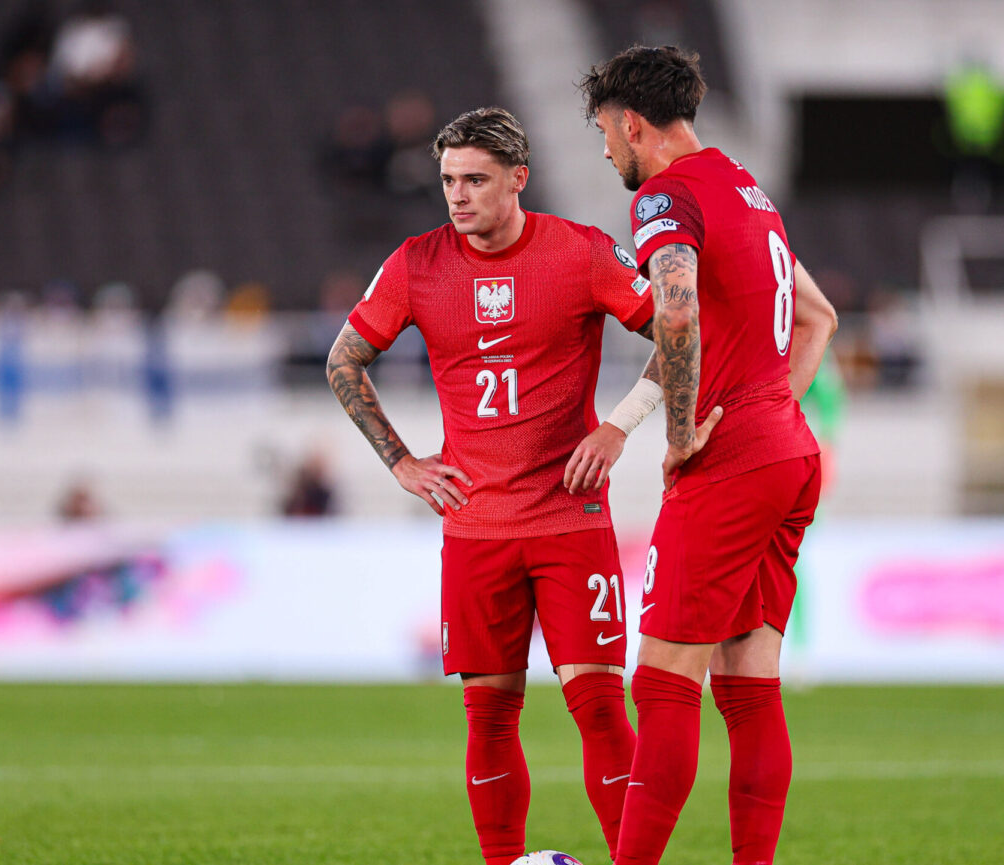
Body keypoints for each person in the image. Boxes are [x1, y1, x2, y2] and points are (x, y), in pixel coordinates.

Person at [325, 106, 671, 865]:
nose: (458, 194)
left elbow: (677, 330)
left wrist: (619, 425)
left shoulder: (580, 251)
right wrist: (402, 462)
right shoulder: (416, 263)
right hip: (475, 527)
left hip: (569, 520)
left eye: (476, 179)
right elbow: (342, 360)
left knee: (600, 710)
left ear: (519, 179)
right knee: (487, 719)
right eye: (449, 179)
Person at [580, 45, 839, 865]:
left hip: (731, 461)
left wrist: (682, 429)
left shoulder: (666, 196)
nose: (607, 153)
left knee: (662, 683)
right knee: (749, 686)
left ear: (631, 124)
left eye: (605, 134)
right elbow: (820, 318)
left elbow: (677, 312)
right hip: (788, 451)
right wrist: (768, 410)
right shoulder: (747, 189)